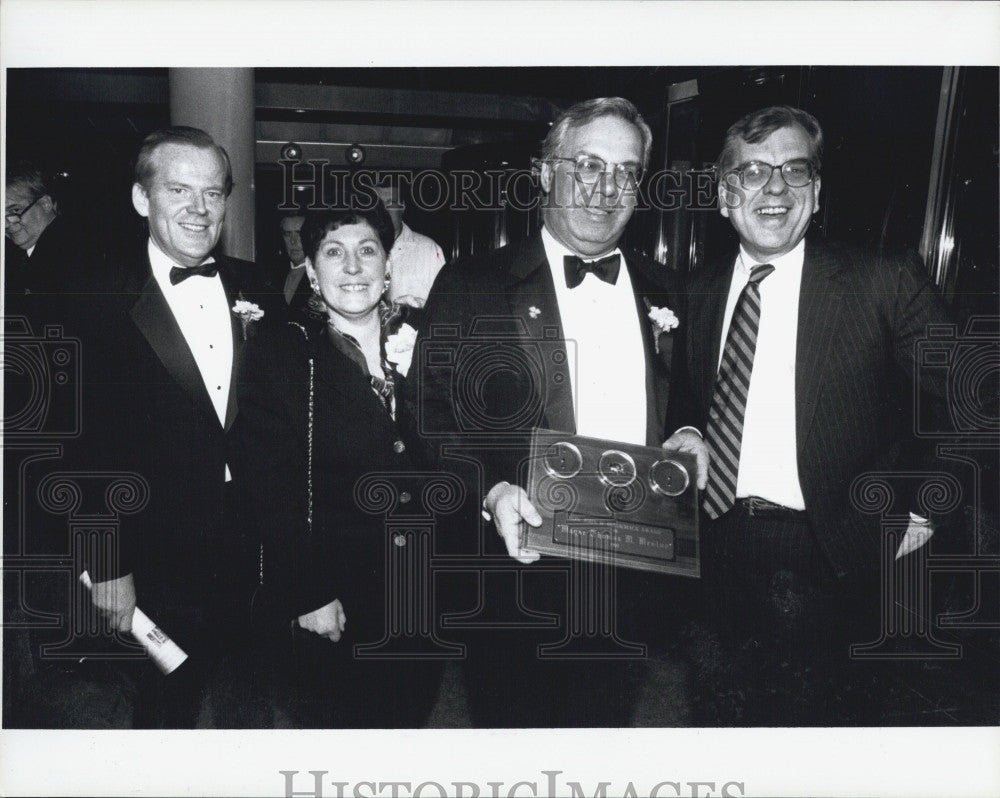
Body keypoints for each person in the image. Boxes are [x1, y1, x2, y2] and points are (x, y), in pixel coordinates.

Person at [663, 105, 953, 724]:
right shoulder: (700, 287)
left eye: (795, 171)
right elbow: (690, 395)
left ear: (816, 194)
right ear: (723, 195)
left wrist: (926, 501)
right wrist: (687, 430)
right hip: (714, 553)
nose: (774, 188)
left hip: (836, 554)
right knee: (721, 726)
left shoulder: (881, 281)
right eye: (753, 172)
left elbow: (972, 395)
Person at [410, 97, 690, 726]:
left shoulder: (669, 289)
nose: (606, 187)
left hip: (636, 570)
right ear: (545, 172)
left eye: (626, 170)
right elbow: (429, 414)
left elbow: (690, 398)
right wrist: (489, 490)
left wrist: (692, 428)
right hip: (519, 571)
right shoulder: (472, 283)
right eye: (588, 164)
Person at [78, 126, 282, 727]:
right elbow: (80, 448)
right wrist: (107, 562)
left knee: (251, 703)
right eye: (179, 190)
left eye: (213, 193)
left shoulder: (258, 283)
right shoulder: (94, 299)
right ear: (143, 199)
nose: (199, 208)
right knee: (164, 710)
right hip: (152, 554)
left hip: (254, 549)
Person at [233, 200, 442, 728]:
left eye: (367, 250)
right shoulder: (280, 354)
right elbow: (269, 485)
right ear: (310, 270)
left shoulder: (433, 339)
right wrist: (308, 589)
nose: (353, 266)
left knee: (411, 724)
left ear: (388, 265)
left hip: (428, 585)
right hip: (337, 594)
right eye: (334, 252)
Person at [373, 183, 445, 308]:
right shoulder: (358, 250)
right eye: (378, 204)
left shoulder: (429, 251)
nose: (384, 210)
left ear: (403, 206)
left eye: (391, 203)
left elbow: (444, 306)